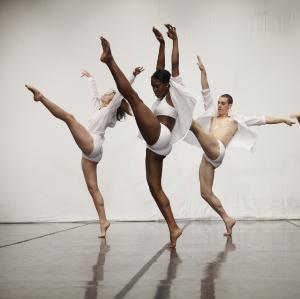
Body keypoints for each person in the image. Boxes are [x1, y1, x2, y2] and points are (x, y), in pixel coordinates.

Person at [100, 24, 197, 247]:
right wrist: (161, 43)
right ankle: (173, 227)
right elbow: (160, 68)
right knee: (154, 187)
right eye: (152, 86)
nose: (154, 89)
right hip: (158, 146)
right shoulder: (161, 93)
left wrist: (174, 40)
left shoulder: (172, 92)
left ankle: (109, 60)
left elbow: (173, 66)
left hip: (161, 136)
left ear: (166, 84)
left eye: (156, 86)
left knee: (133, 98)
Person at [25, 66, 143, 238]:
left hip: (92, 144)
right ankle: (103, 222)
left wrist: (132, 76)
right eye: (107, 92)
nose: (106, 93)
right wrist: (90, 79)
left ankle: (40, 97)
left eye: (109, 93)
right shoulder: (97, 108)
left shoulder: (109, 110)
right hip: (92, 151)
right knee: (92, 188)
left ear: (112, 101)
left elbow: (121, 94)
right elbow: (93, 95)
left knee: (69, 118)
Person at [185, 56, 295, 236]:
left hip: (217, 149)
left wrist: (283, 119)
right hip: (208, 156)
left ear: (229, 106)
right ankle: (228, 219)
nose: (219, 105)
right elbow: (206, 91)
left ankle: (172, 113)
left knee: (192, 124)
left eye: (223, 103)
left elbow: (263, 119)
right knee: (205, 193)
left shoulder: (236, 119)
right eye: (218, 103)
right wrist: (203, 71)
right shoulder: (212, 116)